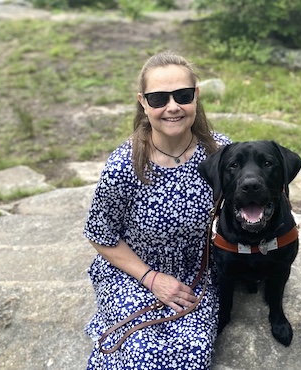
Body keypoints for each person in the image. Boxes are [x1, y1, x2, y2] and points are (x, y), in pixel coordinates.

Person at [83, 50, 231, 369]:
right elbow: (100, 235)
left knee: (191, 351)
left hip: (195, 271)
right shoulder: (124, 165)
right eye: (159, 98)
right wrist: (151, 279)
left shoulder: (220, 152)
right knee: (141, 353)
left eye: (182, 95)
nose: (173, 106)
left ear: (196, 96)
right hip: (133, 271)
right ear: (143, 102)